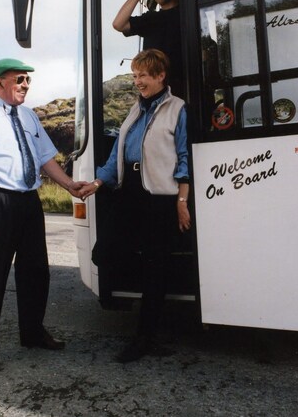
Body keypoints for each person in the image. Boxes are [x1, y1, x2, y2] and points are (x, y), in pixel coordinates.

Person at [0, 58, 86, 372]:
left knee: (36, 269)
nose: (25, 85)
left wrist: (70, 186)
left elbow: (45, 158)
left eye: (28, 81)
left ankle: (33, 332)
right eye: (19, 79)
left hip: (28, 201)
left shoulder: (29, 116)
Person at [79, 49, 191, 363]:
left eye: (143, 75)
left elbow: (184, 158)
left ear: (160, 76)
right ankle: (151, 289)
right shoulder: (135, 109)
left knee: (156, 267)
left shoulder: (177, 109)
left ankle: (145, 337)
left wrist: (182, 201)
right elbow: (118, 150)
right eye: (135, 75)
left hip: (160, 198)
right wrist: (98, 183)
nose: (137, 81)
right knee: (103, 253)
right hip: (130, 192)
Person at [112, 0, 184, 98]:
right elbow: (119, 24)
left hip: (186, 89)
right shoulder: (151, 19)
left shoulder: (188, 13)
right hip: (156, 94)